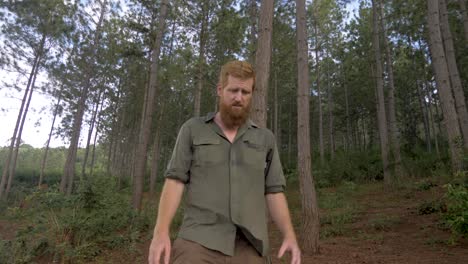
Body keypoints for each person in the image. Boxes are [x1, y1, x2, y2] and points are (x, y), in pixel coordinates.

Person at [148, 60, 301, 264]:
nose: (239, 98)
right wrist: (161, 232)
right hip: (198, 241)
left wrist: (289, 234)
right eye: (233, 90)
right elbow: (175, 181)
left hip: (250, 245)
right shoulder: (193, 130)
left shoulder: (265, 139)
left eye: (245, 92)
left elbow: (274, 191)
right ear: (220, 90)